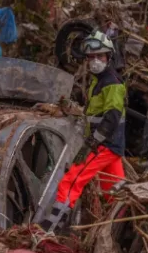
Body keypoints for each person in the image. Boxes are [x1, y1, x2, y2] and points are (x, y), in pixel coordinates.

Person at [42, 31, 126, 231]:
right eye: (91, 57)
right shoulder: (99, 81)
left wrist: (92, 143)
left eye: (100, 56)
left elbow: (112, 118)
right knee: (115, 192)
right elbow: (94, 114)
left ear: (109, 57)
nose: (95, 61)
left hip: (104, 144)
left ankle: (49, 231)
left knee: (71, 182)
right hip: (111, 146)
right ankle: (123, 230)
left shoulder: (112, 83)